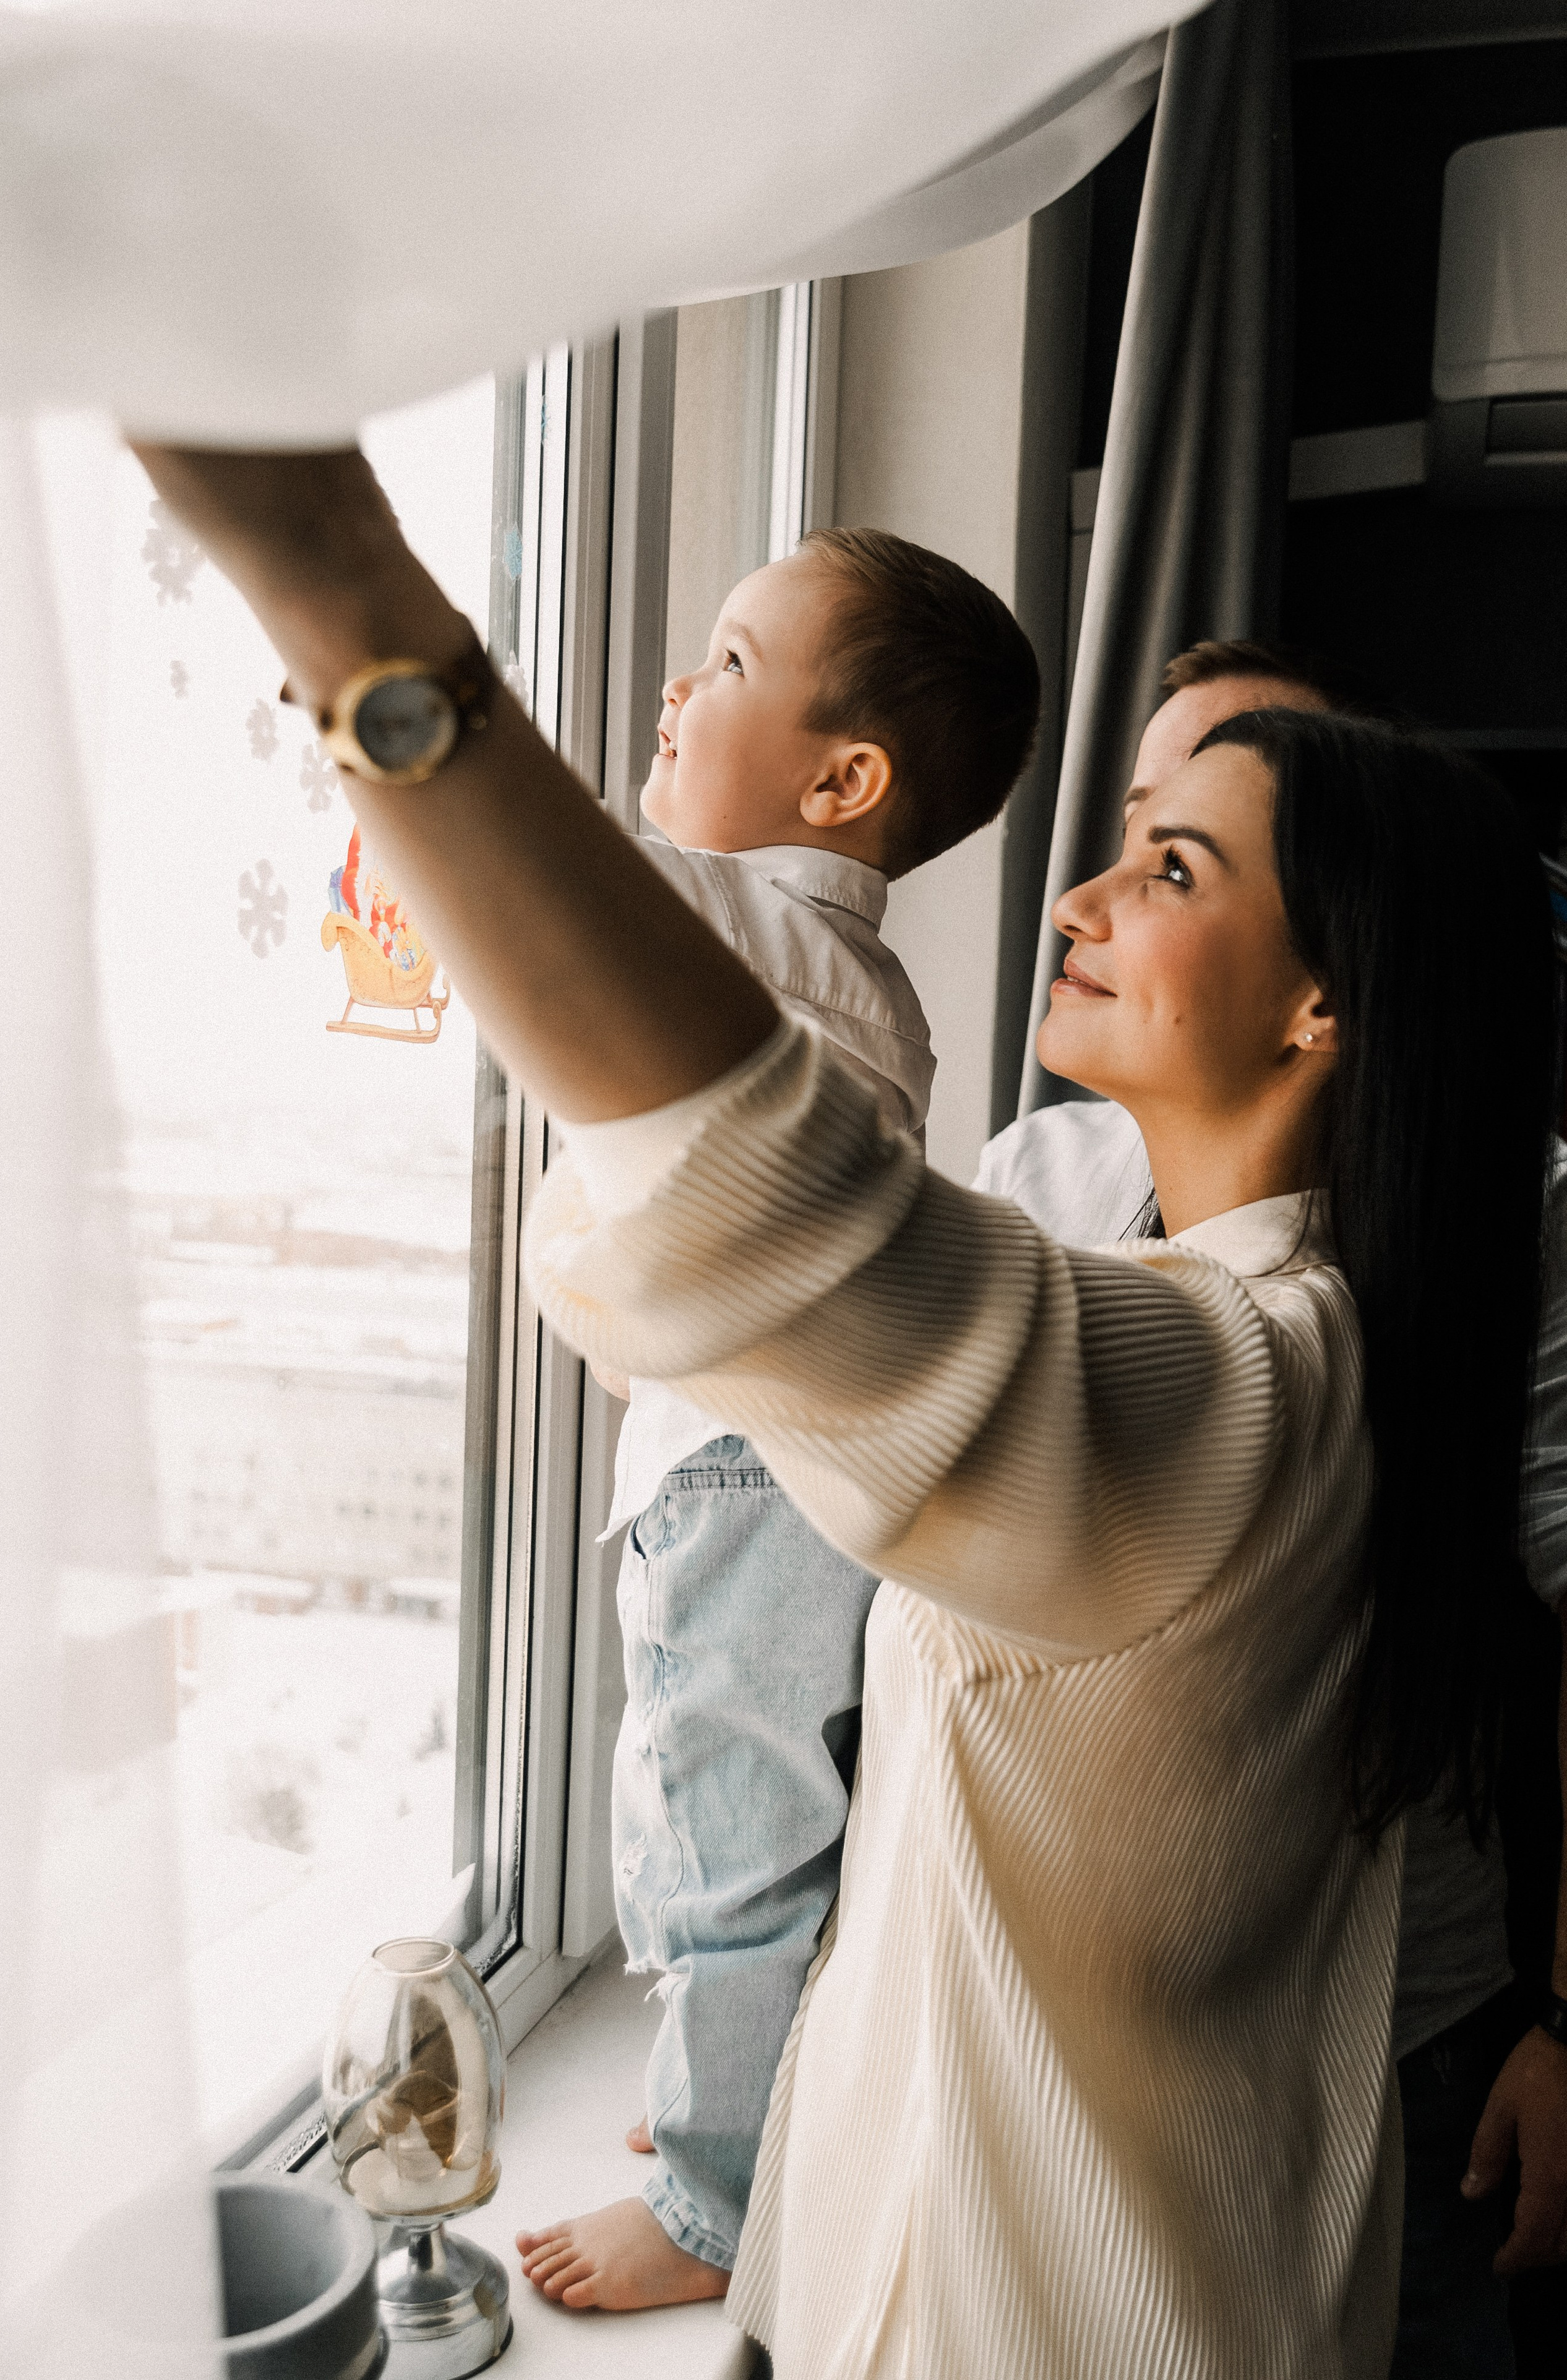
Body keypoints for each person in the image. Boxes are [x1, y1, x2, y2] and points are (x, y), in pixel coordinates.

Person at [132, 442, 1556, 2379]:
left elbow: (775, 1205)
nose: (1078, 892)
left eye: (1174, 866)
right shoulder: (1230, 1319)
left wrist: (341, 591)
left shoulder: (1244, 1391)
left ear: (1326, 1008)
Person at [977, 638, 1567, 2377]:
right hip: (1091, 2047)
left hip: (1408, 2026)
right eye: (1138, 823)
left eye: (1180, 861)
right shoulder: (1036, 1184)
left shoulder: (1485, 1239)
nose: (1085, 901)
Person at [547, 526, 1039, 2307]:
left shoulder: (720, 917)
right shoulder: (866, 981)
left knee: (717, 1831)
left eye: (730, 660)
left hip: (738, 1474)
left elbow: (540, 889)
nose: (678, 686)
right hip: (802, 1466)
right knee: (764, 1816)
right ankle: (734, 2108)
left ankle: (713, 2208)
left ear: (843, 779)